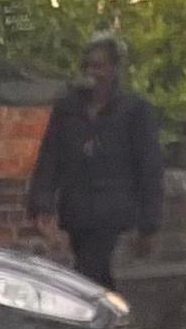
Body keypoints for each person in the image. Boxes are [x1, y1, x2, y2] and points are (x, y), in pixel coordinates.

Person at [27, 33, 166, 290]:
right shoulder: (68, 110)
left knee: (91, 281)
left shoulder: (134, 111)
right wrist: (42, 205)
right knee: (90, 284)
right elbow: (49, 159)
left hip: (115, 219)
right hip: (76, 213)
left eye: (99, 66)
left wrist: (149, 225)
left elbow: (150, 168)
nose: (92, 72)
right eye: (88, 65)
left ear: (114, 70)